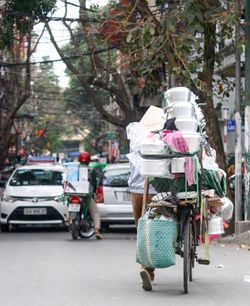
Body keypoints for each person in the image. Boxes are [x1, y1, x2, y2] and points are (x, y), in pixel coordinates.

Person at [126, 122, 157, 291]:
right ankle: (147, 268)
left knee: (142, 229)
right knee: (149, 229)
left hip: (140, 192)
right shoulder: (161, 141)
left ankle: (147, 268)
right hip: (152, 192)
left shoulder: (135, 142)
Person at [78, 151, 102, 240]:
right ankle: (97, 231)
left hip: (74, 194)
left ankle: (68, 219)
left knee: (68, 205)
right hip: (87, 194)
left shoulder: (74, 169)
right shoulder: (91, 170)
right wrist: (94, 192)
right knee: (95, 212)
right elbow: (94, 183)